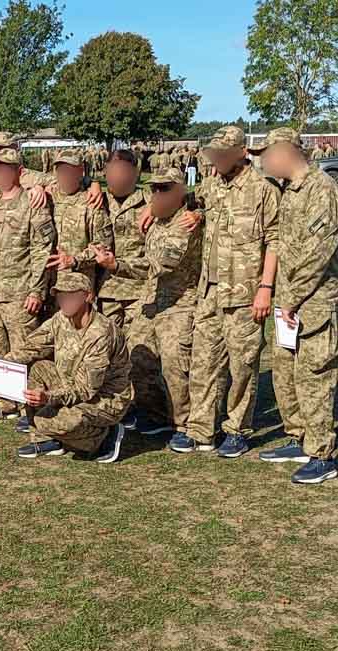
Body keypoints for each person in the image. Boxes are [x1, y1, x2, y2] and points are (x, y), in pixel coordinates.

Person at [168, 125, 280, 458]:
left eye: (222, 154)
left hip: (246, 294)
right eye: (213, 153)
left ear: (242, 153)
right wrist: (194, 216)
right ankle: (200, 429)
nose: (215, 159)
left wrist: (265, 288)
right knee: (204, 362)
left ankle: (236, 429)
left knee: (242, 365)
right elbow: (185, 201)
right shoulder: (212, 185)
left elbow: (274, 241)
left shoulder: (263, 190)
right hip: (211, 290)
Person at [50, 149, 169, 436]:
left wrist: (194, 212)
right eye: (110, 174)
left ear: (135, 173)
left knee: (141, 355)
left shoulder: (151, 201)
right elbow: (63, 178)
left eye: (122, 173)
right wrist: (92, 182)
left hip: (140, 291)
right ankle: (117, 410)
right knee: (109, 358)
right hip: (107, 292)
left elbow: (189, 199)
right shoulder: (98, 196)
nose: (116, 179)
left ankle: (153, 413)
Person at [253, 128, 338, 484]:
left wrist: (289, 299)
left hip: (313, 304)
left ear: (286, 151)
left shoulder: (322, 190)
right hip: (288, 304)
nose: (263, 161)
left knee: (314, 378)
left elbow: (317, 255)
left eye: (267, 154)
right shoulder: (289, 191)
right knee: (285, 374)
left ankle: (322, 455)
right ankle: (299, 437)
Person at [93, 167, 203, 450]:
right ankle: (155, 414)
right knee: (137, 356)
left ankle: (185, 424)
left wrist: (117, 265)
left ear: (180, 191)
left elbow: (161, 264)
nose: (157, 193)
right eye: (154, 188)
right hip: (152, 299)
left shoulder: (186, 223)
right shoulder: (156, 219)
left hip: (180, 302)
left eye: (165, 188)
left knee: (175, 364)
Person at [0, 271, 131, 462]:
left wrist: (48, 398)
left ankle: (103, 438)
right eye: (61, 297)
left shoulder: (100, 333)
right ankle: (47, 440)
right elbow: (34, 345)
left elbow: (87, 390)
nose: (64, 301)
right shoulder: (60, 318)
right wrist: (2, 364)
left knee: (50, 421)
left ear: (88, 296)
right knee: (39, 369)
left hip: (105, 397)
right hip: (71, 383)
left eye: (71, 296)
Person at [0, 147, 56, 425]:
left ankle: (27, 409)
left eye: (7, 169)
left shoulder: (32, 204)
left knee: (24, 352)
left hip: (20, 295)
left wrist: (37, 290)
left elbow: (42, 251)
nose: (1, 173)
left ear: (19, 172)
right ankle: (4, 402)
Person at [47, 148, 112, 292]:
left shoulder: (91, 202)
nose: (65, 176)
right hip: (48, 280)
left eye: (70, 171)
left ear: (80, 171)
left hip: (78, 281)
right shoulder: (48, 196)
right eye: (61, 170)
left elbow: (102, 245)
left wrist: (75, 260)